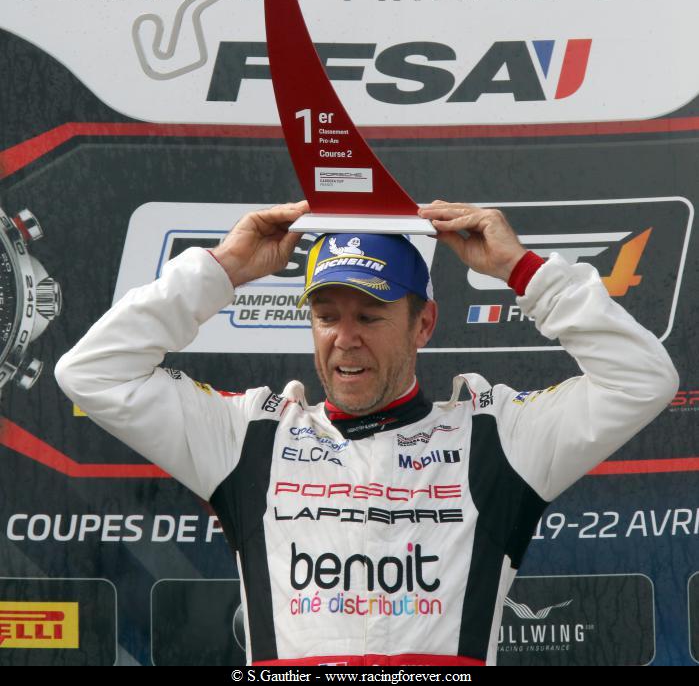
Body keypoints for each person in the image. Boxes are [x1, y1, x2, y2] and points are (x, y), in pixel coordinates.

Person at [54, 200, 678, 667]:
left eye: (370, 316)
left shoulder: (497, 438)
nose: (344, 339)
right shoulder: (250, 437)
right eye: (326, 316)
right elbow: (92, 373)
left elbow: (643, 380)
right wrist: (220, 270)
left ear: (423, 325)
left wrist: (524, 270)